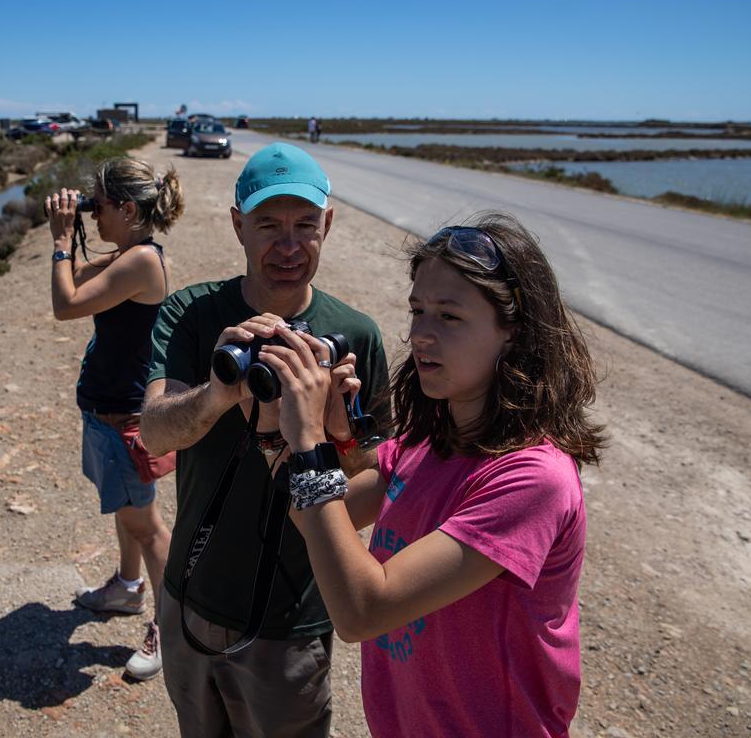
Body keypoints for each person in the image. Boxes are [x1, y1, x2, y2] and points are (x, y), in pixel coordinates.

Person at [256, 212, 606, 737]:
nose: (421, 334)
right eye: (418, 310)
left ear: (513, 331)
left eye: (449, 316)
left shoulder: (534, 479)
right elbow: (315, 515)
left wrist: (307, 443)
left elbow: (362, 611)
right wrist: (290, 427)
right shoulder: (429, 440)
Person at [139, 142, 390, 737]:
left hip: (291, 615)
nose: (288, 245)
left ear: (327, 225)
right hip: (191, 593)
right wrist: (221, 392)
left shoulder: (355, 335)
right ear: (237, 226)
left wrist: (335, 429)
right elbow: (153, 434)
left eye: (305, 225)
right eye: (268, 225)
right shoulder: (194, 315)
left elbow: (377, 483)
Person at [45, 157, 185, 681]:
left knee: (146, 526)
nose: (93, 214)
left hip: (125, 416)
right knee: (127, 513)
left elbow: (66, 303)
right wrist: (69, 235)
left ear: (127, 209)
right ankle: (127, 589)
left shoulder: (142, 261)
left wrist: (62, 239)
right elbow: (78, 277)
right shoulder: (128, 252)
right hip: (106, 409)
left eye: (99, 205)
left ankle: (172, 627)